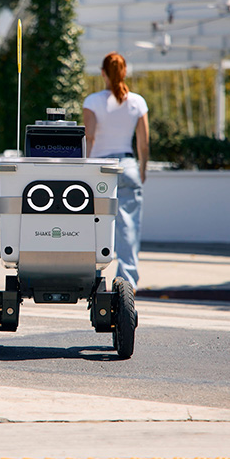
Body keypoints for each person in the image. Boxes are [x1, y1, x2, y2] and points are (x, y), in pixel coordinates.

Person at [83, 51, 149, 290]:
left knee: (92, 223)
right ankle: (127, 282)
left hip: (99, 169)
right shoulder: (138, 102)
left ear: (103, 73)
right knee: (128, 227)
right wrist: (143, 169)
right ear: (124, 73)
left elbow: (89, 137)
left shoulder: (92, 101)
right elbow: (143, 143)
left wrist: (84, 169)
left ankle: (88, 276)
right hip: (128, 166)